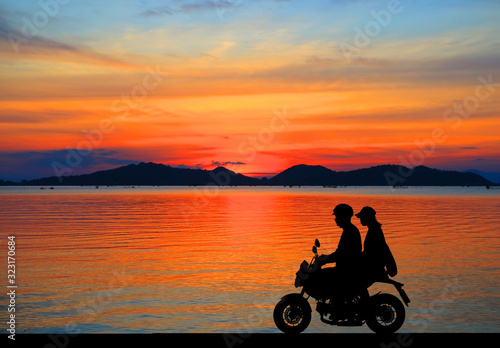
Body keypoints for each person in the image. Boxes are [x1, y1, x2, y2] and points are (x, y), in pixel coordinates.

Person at [316, 203, 362, 313]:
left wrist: (325, 260)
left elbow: (342, 254)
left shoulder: (350, 232)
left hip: (347, 270)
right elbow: (340, 253)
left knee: (325, 276)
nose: (335, 219)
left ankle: (339, 308)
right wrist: (326, 258)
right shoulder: (348, 230)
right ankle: (335, 305)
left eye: (337, 217)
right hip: (345, 268)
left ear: (344, 217)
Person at [355, 206, 397, 286]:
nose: (360, 220)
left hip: (373, 268)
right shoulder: (374, 229)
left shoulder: (374, 232)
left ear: (367, 218)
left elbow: (371, 253)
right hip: (374, 265)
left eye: (362, 217)